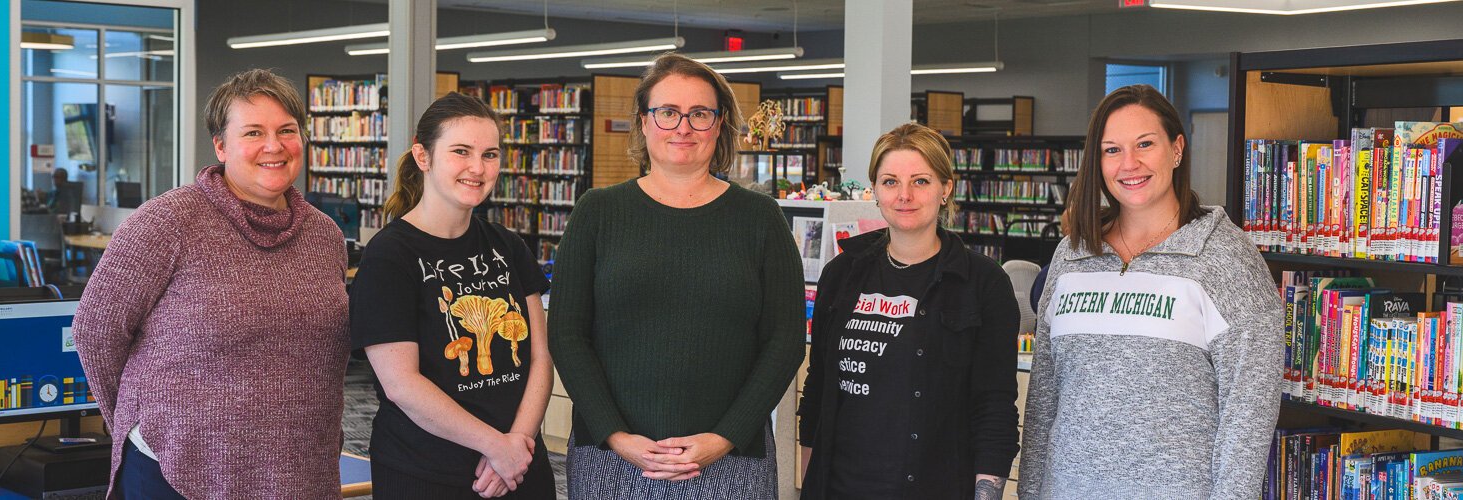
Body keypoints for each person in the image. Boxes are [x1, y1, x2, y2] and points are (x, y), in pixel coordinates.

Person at [72, 68, 350, 498]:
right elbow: (95, 331)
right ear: (220, 145)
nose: (274, 146)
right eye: (254, 132)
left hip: (299, 474)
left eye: (287, 131)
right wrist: (139, 421)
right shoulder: (167, 222)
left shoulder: (325, 236)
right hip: (178, 472)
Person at [548, 52, 805, 499]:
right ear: (644, 122)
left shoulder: (760, 218)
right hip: (613, 455)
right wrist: (616, 436)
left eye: (699, 114)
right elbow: (567, 334)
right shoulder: (597, 212)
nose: (683, 127)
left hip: (732, 457)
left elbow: (784, 340)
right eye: (667, 113)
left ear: (720, 124)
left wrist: (725, 437)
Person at [1017, 84, 1282, 499]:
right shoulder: (1072, 255)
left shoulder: (1227, 258)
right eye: (1112, 150)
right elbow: (1043, 403)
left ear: (1177, 149)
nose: (1130, 163)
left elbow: (1248, 415)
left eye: (1145, 144)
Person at [796, 123, 1020, 499]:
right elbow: (817, 389)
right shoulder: (842, 273)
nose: (904, 196)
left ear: (945, 188)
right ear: (875, 190)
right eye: (890, 182)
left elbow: (994, 406)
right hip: (842, 488)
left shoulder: (983, 283)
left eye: (920, 181)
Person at [350, 93, 554, 499]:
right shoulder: (391, 256)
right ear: (423, 157)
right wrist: (495, 447)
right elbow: (401, 385)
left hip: (520, 466)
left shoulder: (508, 245)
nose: (477, 168)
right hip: (427, 472)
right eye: (461, 151)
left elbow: (540, 358)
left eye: (490, 154)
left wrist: (517, 444)